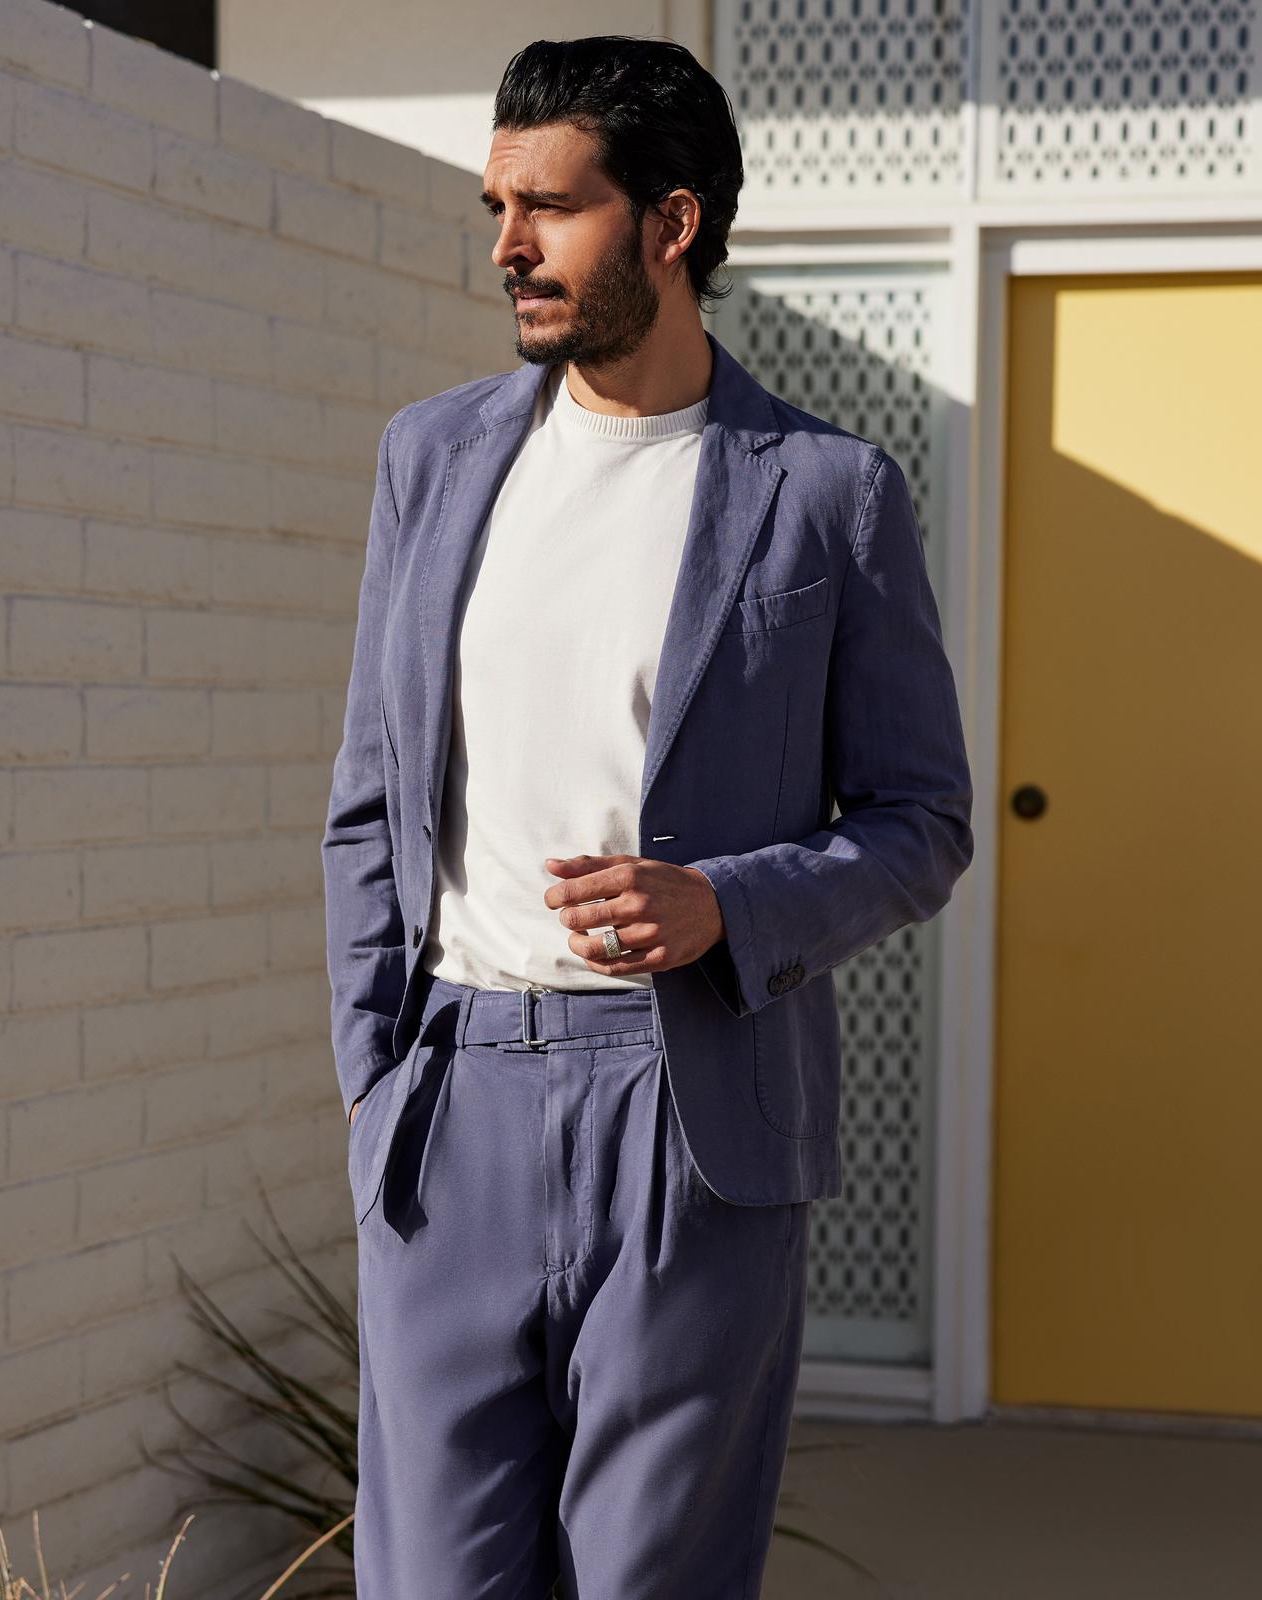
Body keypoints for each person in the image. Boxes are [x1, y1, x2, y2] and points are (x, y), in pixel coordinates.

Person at [322, 34, 973, 1599]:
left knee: (649, 1577)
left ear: (672, 226)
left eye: (549, 207)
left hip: (689, 1113)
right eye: (499, 205)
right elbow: (369, 804)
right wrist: (377, 1084)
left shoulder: (825, 492)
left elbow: (920, 820)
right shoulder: (433, 458)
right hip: (453, 1102)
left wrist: (728, 905)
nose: (507, 246)